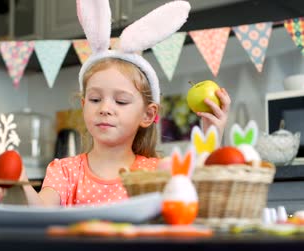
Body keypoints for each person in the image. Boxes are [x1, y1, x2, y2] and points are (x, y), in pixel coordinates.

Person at [18, 0, 230, 207]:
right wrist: (19, 187)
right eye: (94, 99)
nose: (105, 109)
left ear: (147, 115)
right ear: (83, 106)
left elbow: (204, 203)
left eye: (120, 101)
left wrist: (211, 137)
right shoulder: (65, 171)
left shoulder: (158, 173)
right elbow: (40, 209)